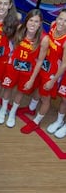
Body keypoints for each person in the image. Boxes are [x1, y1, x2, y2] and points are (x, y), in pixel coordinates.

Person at [0, 9, 49, 128]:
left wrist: (32, 79)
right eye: (30, 20)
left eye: (36, 21)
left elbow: (40, 61)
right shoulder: (19, 29)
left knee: (20, 92)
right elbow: (12, 42)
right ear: (26, 21)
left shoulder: (43, 39)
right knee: (7, 88)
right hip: (13, 67)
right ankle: (3, 109)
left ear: (40, 23)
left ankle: (12, 113)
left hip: (27, 71)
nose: (33, 24)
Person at [39, 9, 66, 137]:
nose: (62, 22)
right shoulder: (54, 24)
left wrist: (53, 80)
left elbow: (64, 64)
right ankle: (59, 121)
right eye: (61, 18)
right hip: (49, 66)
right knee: (64, 99)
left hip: (57, 69)